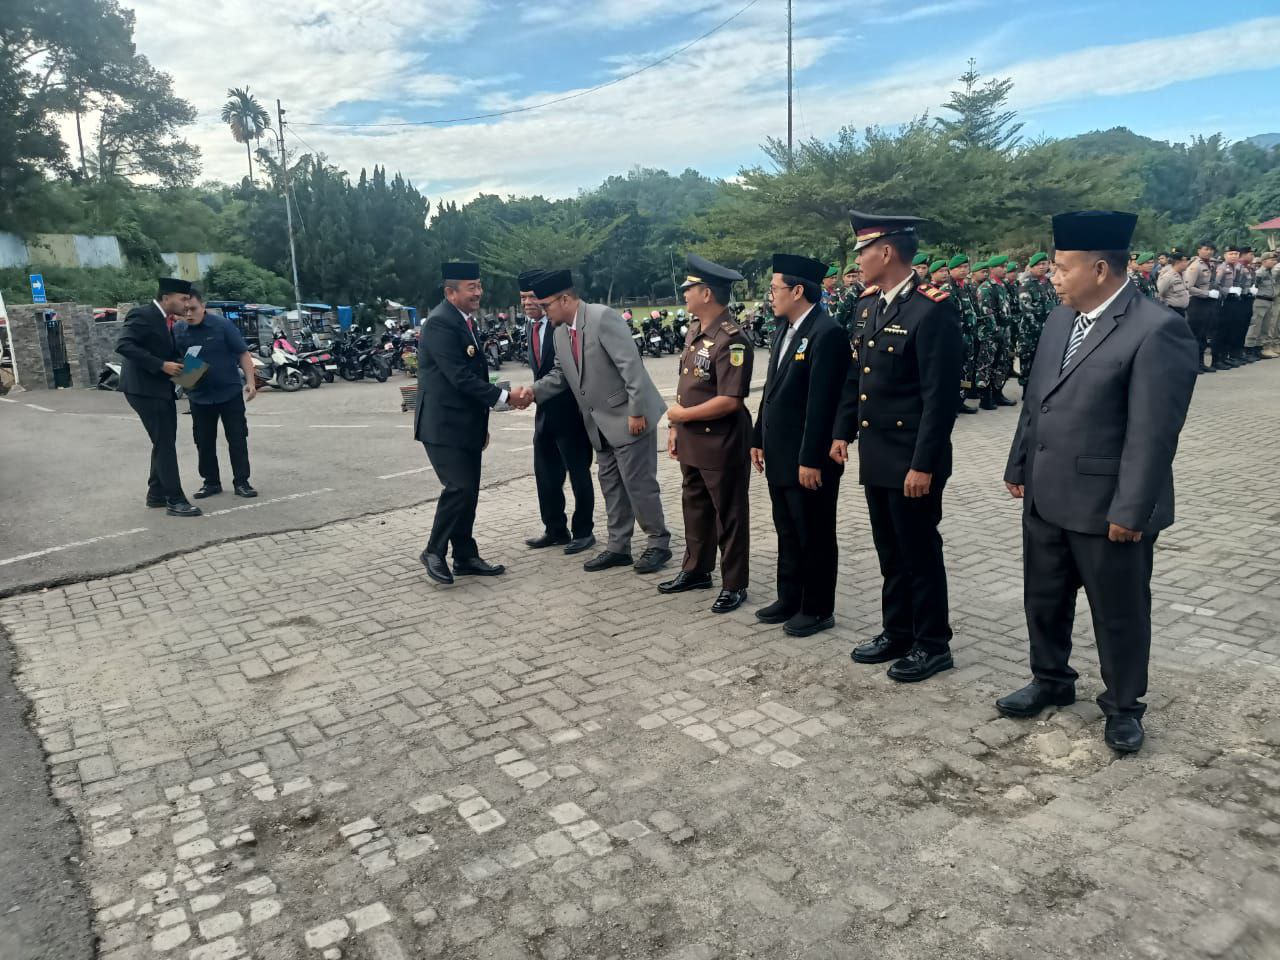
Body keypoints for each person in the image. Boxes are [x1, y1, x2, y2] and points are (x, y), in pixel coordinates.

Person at [1000, 210, 1198, 754]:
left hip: (1107, 504)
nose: (1053, 276)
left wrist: (1131, 510)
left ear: (1101, 269)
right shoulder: (1059, 319)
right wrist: (1019, 463)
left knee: (1119, 612)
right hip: (1046, 493)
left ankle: (1124, 705)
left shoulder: (1156, 329)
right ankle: (1051, 679)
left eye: (1062, 267)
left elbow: (1153, 433)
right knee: (1044, 598)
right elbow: (1037, 400)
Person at [831, 212, 964, 684]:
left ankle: (932, 643)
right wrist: (842, 431)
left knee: (919, 551)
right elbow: (857, 376)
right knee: (890, 550)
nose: (858, 262)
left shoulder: (932, 309)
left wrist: (923, 465)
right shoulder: (868, 304)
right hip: (878, 453)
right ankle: (898, 630)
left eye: (863, 252)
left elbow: (940, 398)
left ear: (886, 252)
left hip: (912, 459)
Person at [519, 269, 672, 575]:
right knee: (611, 485)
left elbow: (631, 366)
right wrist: (533, 392)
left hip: (628, 418)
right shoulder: (561, 332)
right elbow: (561, 374)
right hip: (598, 424)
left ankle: (658, 542)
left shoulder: (602, 318)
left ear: (565, 299)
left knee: (638, 485)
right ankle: (618, 547)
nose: (543, 311)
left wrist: (637, 411)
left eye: (546, 305)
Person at [751, 254, 850, 637]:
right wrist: (758, 438)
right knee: (788, 530)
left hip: (808, 458)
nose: (770, 295)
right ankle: (790, 597)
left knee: (815, 533)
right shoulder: (784, 329)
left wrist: (811, 459)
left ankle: (818, 608)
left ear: (796, 291)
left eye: (774, 288)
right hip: (780, 452)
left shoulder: (827, 333)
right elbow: (771, 390)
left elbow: (822, 404)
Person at [660, 254, 754, 614]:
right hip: (692, 438)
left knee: (729, 513)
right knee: (695, 505)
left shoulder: (732, 339)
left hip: (721, 441)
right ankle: (696, 569)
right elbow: (687, 385)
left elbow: (730, 400)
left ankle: (734, 584)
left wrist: (682, 416)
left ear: (707, 293)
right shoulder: (695, 330)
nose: (685, 293)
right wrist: (676, 427)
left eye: (691, 288)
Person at [414, 262, 514, 585]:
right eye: (471, 288)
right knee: (458, 487)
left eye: (479, 286)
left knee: (468, 491)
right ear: (450, 292)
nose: (478, 293)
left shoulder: (463, 321)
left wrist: (481, 425)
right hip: (443, 425)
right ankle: (433, 550)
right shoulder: (440, 323)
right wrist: (504, 398)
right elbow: (459, 377)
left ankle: (465, 555)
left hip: (466, 424)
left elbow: (473, 374)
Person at [518, 270, 595, 556]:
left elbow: (564, 372)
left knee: (578, 473)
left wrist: (531, 391)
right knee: (546, 474)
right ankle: (555, 529)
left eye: (532, 298)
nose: (527, 303)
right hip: (544, 414)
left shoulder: (563, 325)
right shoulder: (531, 328)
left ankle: (584, 531)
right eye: (522, 298)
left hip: (570, 413)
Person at [115, 278, 201, 517]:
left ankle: (156, 494)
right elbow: (124, 345)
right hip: (144, 389)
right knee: (165, 443)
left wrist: (189, 367)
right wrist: (161, 365)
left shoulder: (166, 320)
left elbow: (163, 351)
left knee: (164, 440)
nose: (186, 304)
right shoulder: (143, 314)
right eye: (183, 299)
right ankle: (175, 500)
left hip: (159, 389)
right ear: (166, 298)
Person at [173, 289, 258, 500]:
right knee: (203, 441)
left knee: (237, 438)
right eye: (185, 310)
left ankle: (242, 482)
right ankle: (211, 482)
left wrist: (251, 382)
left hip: (229, 393)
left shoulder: (222, 325)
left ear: (203, 306)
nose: (189, 314)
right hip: (199, 395)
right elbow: (176, 359)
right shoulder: (178, 329)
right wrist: (183, 378)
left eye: (193, 309)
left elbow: (243, 353)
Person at [1016, 252, 1053, 388]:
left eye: (1044, 264)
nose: (1042, 267)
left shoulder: (1049, 283)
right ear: (1031, 267)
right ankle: (1026, 391)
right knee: (1028, 363)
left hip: (1048, 331)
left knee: (1045, 363)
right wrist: (1042, 327)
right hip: (1030, 332)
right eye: (1038, 265)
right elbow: (1026, 309)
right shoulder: (1026, 284)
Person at [1184, 241, 1219, 374]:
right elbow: (1189, 287)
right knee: (1196, 334)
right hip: (1197, 303)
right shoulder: (1195, 266)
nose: (1209, 252)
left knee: (1204, 334)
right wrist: (1206, 293)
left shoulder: (1210, 264)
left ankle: (1201, 362)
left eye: (1211, 249)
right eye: (1206, 249)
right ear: (1199, 250)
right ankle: (1193, 364)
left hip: (1208, 303)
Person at [1255, 250, 1280, 359]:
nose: (1274, 261)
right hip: (1272, 297)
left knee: (1276, 323)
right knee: (1271, 323)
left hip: (1274, 296)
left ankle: (1275, 344)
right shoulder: (1275, 268)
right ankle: (1267, 346)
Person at [1156, 249, 1191, 316]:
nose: (1187, 263)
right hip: (1172, 311)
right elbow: (1161, 293)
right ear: (1178, 262)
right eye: (1185, 261)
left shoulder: (1183, 274)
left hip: (1182, 311)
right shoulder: (1168, 276)